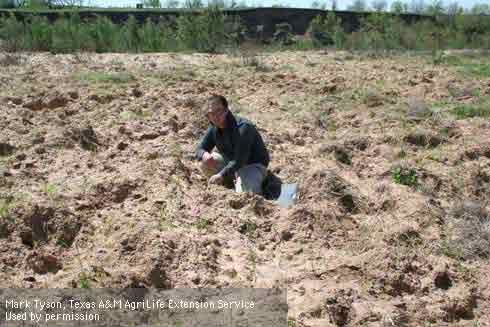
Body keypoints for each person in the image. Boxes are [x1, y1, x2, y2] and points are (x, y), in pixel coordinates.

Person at [196, 95, 270, 194]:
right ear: (208, 116)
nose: (216, 116)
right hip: (230, 163)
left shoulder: (243, 127)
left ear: (226, 110)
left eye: (219, 111)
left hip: (251, 165)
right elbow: (200, 148)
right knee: (206, 162)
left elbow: (240, 160)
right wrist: (204, 154)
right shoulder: (214, 127)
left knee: (246, 194)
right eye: (211, 113)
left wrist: (221, 174)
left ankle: (259, 182)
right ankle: (230, 183)